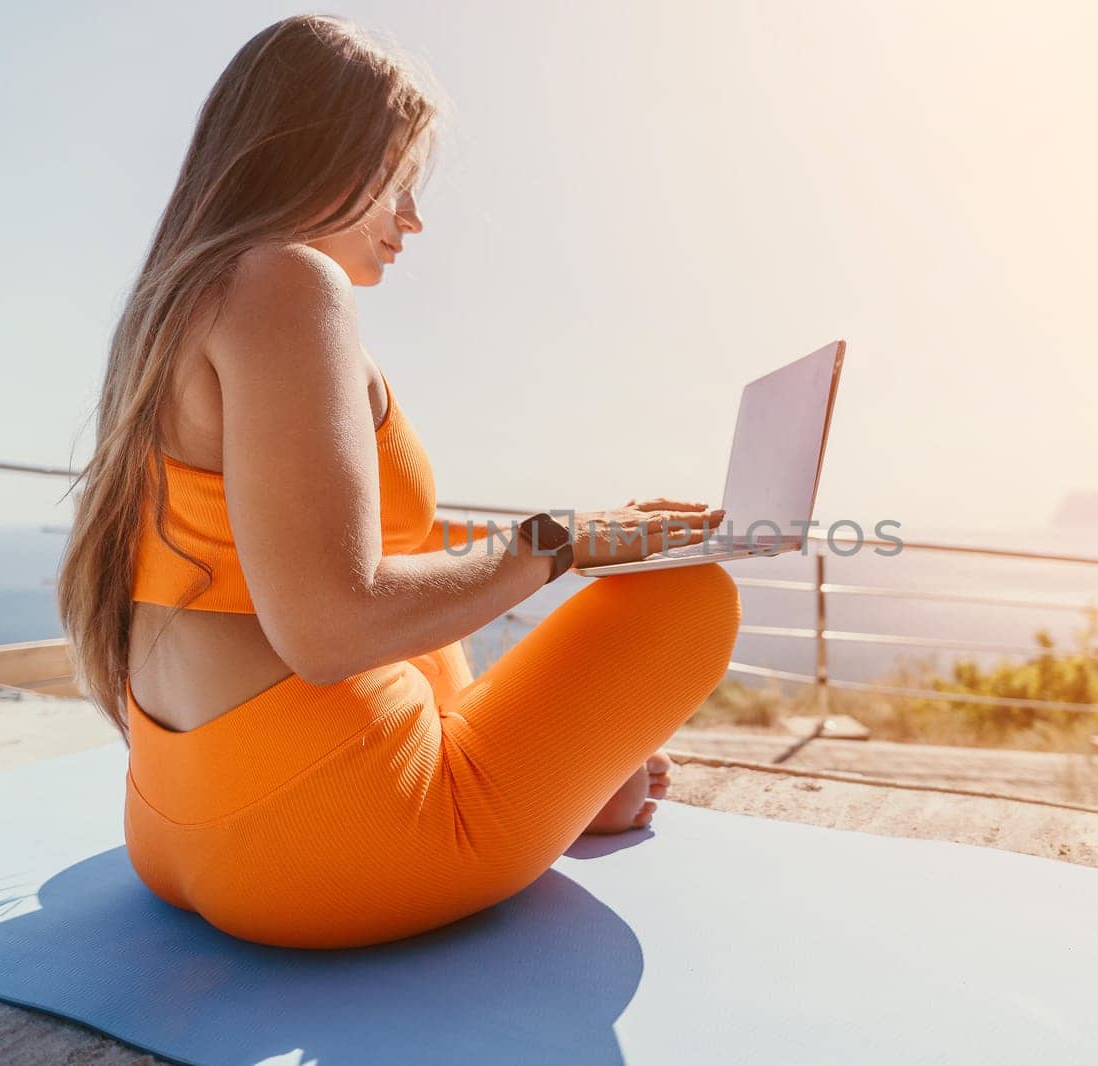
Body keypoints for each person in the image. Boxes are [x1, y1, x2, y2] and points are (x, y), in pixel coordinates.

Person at [55, 14, 741, 949]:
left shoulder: (181, 302)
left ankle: (564, 787)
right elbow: (331, 626)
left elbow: (347, 562)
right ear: (314, 154)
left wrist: (575, 735)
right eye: (396, 179)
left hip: (175, 824)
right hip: (319, 845)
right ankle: (542, 789)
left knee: (427, 586)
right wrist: (566, 541)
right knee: (688, 594)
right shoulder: (287, 280)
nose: (413, 218)